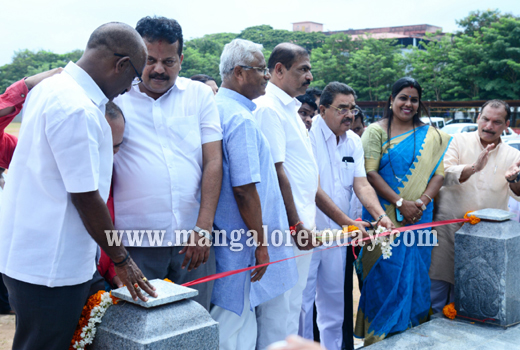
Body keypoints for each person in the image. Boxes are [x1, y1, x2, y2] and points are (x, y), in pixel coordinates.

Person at [0, 22, 156, 350]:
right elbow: (85, 197)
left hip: (34, 259)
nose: (131, 88)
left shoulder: (51, 88)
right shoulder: (78, 109)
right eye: (136, 77)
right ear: (121, 65)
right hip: (51, 267)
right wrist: (122, 259)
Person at [112, 16, 223, 311]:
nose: (159, 69)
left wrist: (203, 228)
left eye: (169, 61)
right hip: (135, 243)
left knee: (195, 325)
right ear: (136, 57)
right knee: (141, 327)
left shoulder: (198, 96)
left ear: (182, 59)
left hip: (193, 241)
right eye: (150, 60)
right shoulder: (115, 99)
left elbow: (213, 161)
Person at [210, 38, 298, 350]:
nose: (265, 76)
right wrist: (261, 246)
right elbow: (245, 189)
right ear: (238, 73)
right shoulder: (239, 118)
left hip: (233, 241)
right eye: (260, 70)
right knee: (235, 331)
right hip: (243, 245)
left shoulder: (220, 110)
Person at [355, 77, 451, 345]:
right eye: (403, 98)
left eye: (414, 99)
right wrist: (400, 203)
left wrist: (418, 204)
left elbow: (438, 176)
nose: (408, 104)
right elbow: (370, 173)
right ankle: (379, 339)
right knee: (381, 277)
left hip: (419, 217)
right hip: (382, 217)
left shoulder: (433, 135)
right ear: (392, 99)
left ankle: (413, 340)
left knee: (417, 276)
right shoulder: (375, 131)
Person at [301, 82, 394, 350]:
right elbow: (313, 189)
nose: (349, 115)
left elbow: (361, 184)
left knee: (334, 305)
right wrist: (350, 223)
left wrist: (379, 216)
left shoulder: (353, 140)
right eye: (342, 108)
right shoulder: (307, 136)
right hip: (307, 234)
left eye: (352, 108)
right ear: (322, 109)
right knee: (303, 305)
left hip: (339, 236)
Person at [254, 42, 319, 349]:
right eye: (302, 69)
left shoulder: (291, 108)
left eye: (309, 69)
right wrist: (295, 225)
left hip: (302, 226)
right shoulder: (268, 108)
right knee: (278, 311)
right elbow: (276, 171)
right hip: (286, 229)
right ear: (278, 70)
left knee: (293, 305)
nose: (309, 77)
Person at [430, 100, 520, 313]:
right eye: (485, 119)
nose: (489, 126)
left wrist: (513, 180)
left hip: (485, 239)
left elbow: (518, 193)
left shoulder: (513, 155)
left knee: (476, 294)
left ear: (506, 125)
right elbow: (443, 174)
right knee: (436, 290)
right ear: (477, 118)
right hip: (447, 230)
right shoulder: (457, 141)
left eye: (497, 122)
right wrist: (474, 167)